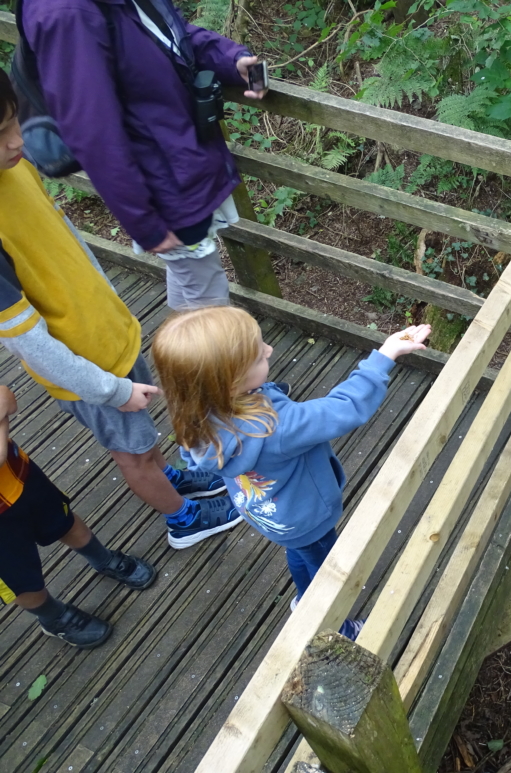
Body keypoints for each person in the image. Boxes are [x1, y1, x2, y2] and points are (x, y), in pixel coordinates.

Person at [0, 67, 241, 550]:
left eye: (11, 122)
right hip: (87, 368)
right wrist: (110, 391)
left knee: (141, 441)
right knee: (131, 453)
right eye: (0, 133)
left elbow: (63, 234)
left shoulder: (13, 167)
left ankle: (164, 472)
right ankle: (184, 518)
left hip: (107, 334)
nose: (16, 140)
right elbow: (28, 343)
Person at [151, 306, 431, 638]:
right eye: (258, 357)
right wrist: (385, 355)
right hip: (306, 517)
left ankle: (302, 598)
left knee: (300, 552)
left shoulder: (198, 413)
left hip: (268, 514)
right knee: (327, 572)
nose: (269, 350)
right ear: (228, 383)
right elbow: (344, 407)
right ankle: (335, 627)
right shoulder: (277, 429)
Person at [20, 0, 267, 310]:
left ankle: (177, 355)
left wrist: (231, 59)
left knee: (191, 283)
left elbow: (168, 36)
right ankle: (222, 358)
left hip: (181, 162)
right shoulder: (64, 13)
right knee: (209, 303)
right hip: (162, 181)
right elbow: (92, 130)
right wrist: (144, 223)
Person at [0, 384, 156, 648]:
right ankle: (53, 618)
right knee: (21, 581)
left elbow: (7, 397)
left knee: (65, 523)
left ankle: (102, 559)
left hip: (20, 477)